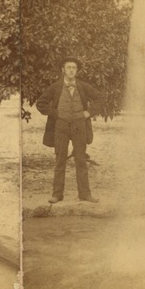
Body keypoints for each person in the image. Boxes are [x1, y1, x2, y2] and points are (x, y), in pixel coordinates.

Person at [36, 57, 105, 204]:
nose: (71, 70)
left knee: (81, 160)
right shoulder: (55, 87)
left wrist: (89, 113)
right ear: (63, 70)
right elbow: (40, 103)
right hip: (61, 126)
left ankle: (85, 194)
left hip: (80, 126)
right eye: (68, 67)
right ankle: (57, 195)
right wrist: (55, 114)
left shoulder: (83, 86)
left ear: (77, 71)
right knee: (60, 160)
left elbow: (100, 98)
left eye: (74, 67)